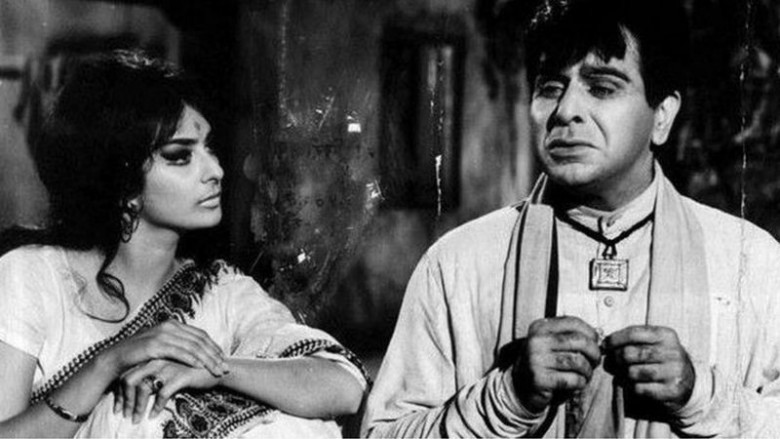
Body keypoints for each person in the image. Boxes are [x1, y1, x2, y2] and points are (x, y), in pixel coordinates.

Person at [362, 0, 780, 437]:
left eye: (601, 87)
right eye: (549, 88)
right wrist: (507, 397)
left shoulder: (748, 261)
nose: (564, 111)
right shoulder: (458, 264)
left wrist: (702, 396)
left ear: (662, 116)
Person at [0, 49, 367, 438]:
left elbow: (344, 387)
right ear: (123, 183)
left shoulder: (221, 292)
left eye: (209, 148)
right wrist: (109, 363)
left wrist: (216, 371)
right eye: (180, 156)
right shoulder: (31, 276)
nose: (216, 171)